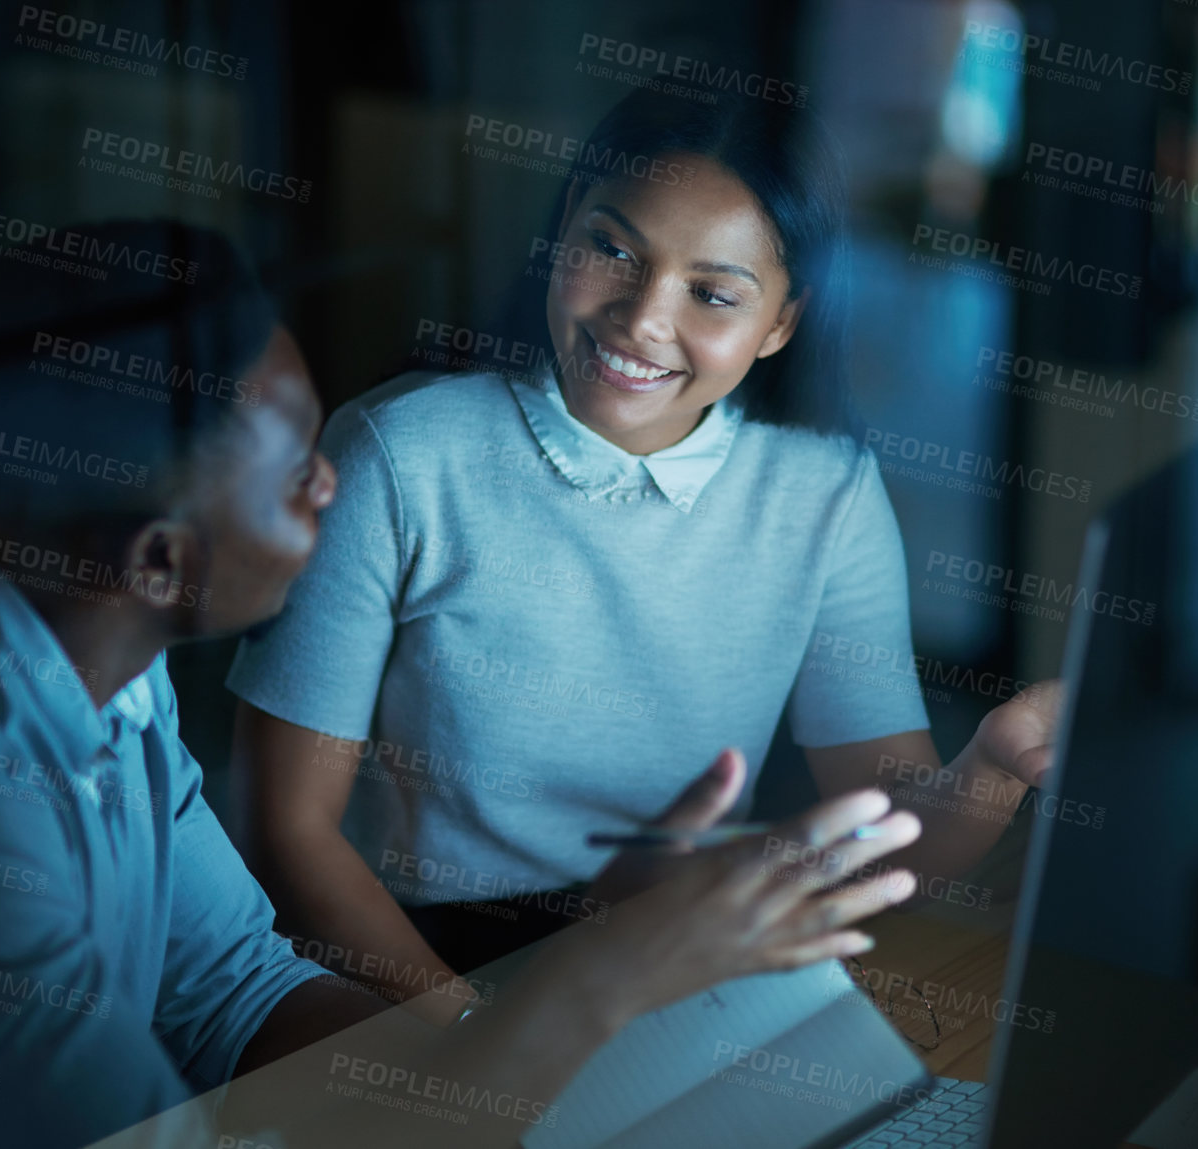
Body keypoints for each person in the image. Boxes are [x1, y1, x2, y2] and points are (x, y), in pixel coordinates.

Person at [0, 221, 924, 1149]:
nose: (329, 484)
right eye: (296, 461)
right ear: (160, 561)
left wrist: (541, 1012)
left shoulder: (70, 626)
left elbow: (229, 987)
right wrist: (610, 981)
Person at [227, 88, 1061, 1019]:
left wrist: (990, 767)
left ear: (781, 322)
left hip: (675, 956)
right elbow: (284, 828)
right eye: (613, 250)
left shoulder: (825, 491)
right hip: (423, 959)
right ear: (565, 228)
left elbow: (885, 843)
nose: (641, 319)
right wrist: (480, 1046)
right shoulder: (399, 452)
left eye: (712, 294)